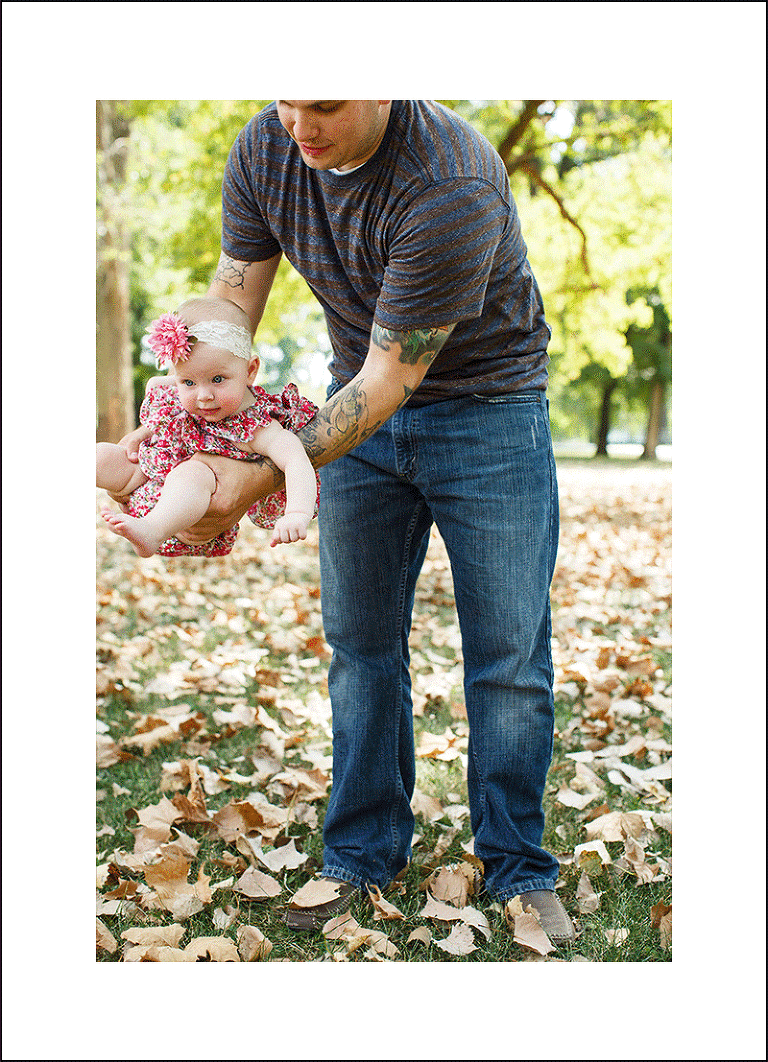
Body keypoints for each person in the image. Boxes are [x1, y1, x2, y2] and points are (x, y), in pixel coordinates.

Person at [118, 100, 574, 944]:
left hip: (489, 412)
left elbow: (393, 377)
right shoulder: (266, 145)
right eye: (288, 98)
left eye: (324, 103)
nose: (299, 122)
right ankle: (362, 850)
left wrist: (253, 477)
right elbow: (231, 306)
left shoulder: (451, 178)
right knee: (359, 645)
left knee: (508, 656)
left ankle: (517, 866)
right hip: (350, 401)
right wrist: (193, 417)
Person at [97, 295, 319, 557]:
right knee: (100, 456)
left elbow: (295, 458)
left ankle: (149, 531)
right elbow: (156, 386)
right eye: (188, 382)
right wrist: (144, 431)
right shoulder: (186, 389)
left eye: (217, 379)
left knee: (192, 473)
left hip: (188, 516)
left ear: (250, 371)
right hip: (148, 483)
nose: (203, 395)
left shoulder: (254, 425)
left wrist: (297, 513)